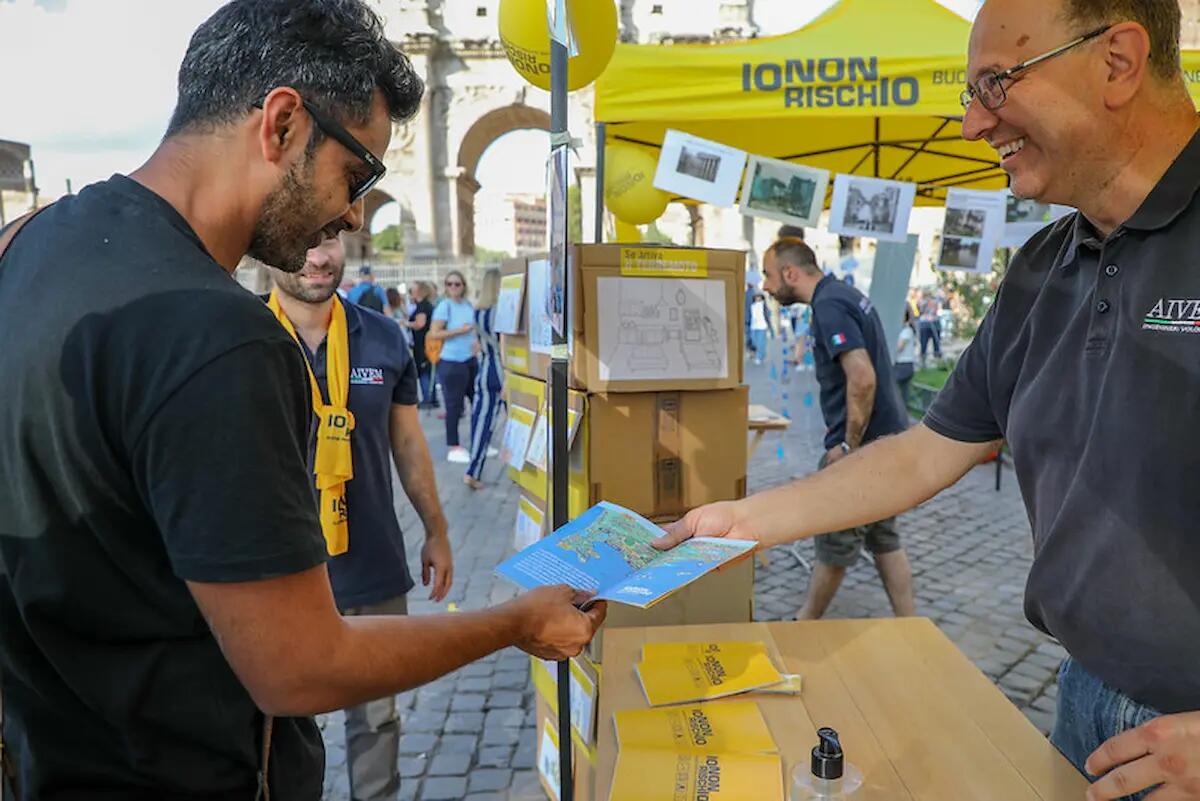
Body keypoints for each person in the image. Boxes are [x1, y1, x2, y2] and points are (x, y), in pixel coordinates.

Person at [0, 2, 604, 797]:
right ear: (282, 124)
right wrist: (517, 620)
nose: (355, 216)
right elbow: (301, 668)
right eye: (357, 175)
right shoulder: (224, 338)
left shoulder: (28, 245)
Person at [658, 1, 1200, 797]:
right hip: (1086, 703)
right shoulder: (1045, 264)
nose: (971, 125)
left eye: (995, 84)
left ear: (1117, 61)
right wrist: (747, 520)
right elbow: (927, 449)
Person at [267, 235, 452, 800]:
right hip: (277, 573)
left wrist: (437, 530)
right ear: (267, 249)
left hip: (370, 559)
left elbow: (408, 440)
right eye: (302, 246)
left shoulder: (384, 335)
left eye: (327, 242)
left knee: (376, 717)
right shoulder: (238, 336)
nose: (318, 258)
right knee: (286, 724)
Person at [760, 238, 916, 619]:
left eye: (767, 275)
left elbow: (861, 378)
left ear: (790, 273)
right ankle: (911, 622)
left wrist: (847, 447)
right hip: (888, 440)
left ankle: (805, 621)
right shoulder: (843, 293)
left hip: (864, 448)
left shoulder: (829, 305)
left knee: (834, 539)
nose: (764, 285)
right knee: (883, 539)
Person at [428, 270, 477, 463]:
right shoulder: (444, 307)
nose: (453, 287)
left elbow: (474, 329)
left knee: (476, 401)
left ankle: (478, 439)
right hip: (451, 361)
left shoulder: (467, 305)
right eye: (449, 284)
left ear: (464, 286)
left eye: (457, 284)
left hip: (470, 359)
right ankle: (454, 445)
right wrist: (460, 331)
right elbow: (434, 334)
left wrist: (476, 341)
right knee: (454, 405)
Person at [464, 268, 504, 489]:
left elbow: (477, 343)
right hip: (503, 370)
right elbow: (505, 347)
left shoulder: (479, 312)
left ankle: (472, 471)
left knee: (482, 422)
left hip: (485, 368)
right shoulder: (502, 311)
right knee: (518, 422)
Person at [409, 280, 437, 407]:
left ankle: (427, 398)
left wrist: (406, 323)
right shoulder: (427, 305)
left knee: (424, 370)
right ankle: (432, 397)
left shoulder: (422, 306)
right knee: (429, 370)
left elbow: (420, 324)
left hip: (422, 343)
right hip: (427, 342)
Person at [894, 305, 918, 409]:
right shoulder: (902, 330)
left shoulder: (907, 331)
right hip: (900, 364)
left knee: (896, 389)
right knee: (903, 392)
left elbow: (898, 348)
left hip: (904, 365)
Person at [917, 290, 943, 366]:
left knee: (936, 343)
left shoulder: (936, 301)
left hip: (935, 323)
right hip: (924, 324)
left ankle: (938, 361)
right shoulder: (922, 302)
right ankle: (923, 361)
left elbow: (937, 310)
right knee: (923, 343)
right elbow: (920, 310)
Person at [749, 292, 769, 365]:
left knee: (760, 343)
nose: (757, 298)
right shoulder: (752, 306)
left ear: (762, 297)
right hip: (753, 326)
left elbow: (767, 315)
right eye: (756, 296)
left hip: (762, 326)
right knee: (755, 342)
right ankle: (763, 354)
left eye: (759, 296)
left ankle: (759, 357)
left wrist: (770, 327)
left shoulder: (763, 305)